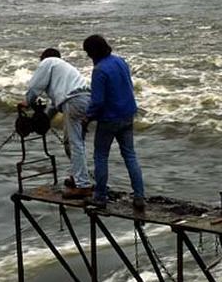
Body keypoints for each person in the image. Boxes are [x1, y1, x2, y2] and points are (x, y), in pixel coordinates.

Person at [82, 35, 145, 210]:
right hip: (127, 114)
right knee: (130, 156)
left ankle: (100, 196)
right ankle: (139, 196)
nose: (88, 56)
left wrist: (87, 117)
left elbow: (97, 102)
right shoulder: (120, 61)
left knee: (101, 156)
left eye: (88, 52)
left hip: (109, 119)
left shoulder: (100, 70)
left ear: (93, 52)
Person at [21, 47, 92, 199]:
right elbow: (54, 106)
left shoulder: (49, 62)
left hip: (73, 101)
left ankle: (83, 185)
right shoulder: (65, 72)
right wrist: (43, 120)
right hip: (83, 100)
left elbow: (35, 86)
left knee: (75, 143)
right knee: (70, 142)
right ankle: (77, 178)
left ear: (43, 58)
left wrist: (27, 102)